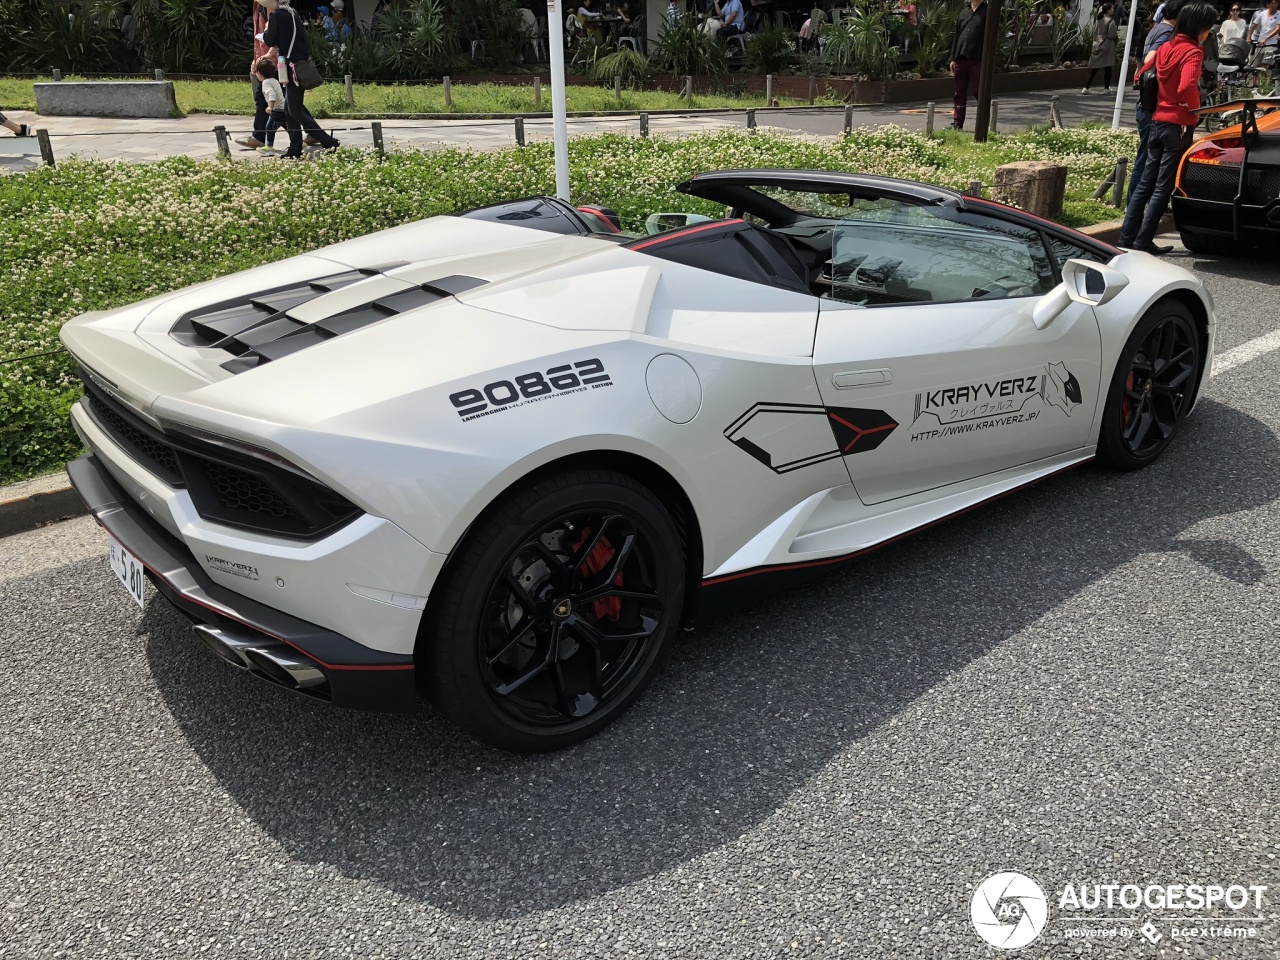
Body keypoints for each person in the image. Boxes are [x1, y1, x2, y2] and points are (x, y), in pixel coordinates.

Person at [1119, 1, 1217, 254]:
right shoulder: (1192, 51)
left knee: (1145, 184)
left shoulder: (1166, 47)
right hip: (1178, 124)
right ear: (1200, 27)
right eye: (1208, 27)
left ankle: (1126, 238)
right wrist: (1194, 110)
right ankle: (1142, 242)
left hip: (1157, 120)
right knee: (1163, 187)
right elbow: (1186, 86)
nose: (1209, 32)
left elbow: (1140, 75)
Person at [260, 0, 341, 159]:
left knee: (294, 110)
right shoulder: (292, 13)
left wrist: (267, 29)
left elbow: (269, 40)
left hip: (291, 68)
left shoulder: (276, 16)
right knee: (289, 110)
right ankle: (295, 148)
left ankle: (327, 140)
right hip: (298, 64)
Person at [1126, 0, 1180, 201]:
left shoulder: (1155, 29)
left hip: (1144, 103)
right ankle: (1135, 202)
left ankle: (1135, 201)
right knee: (1146, 158)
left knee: (1146, 156)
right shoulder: (1166, 33)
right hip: (1150, 104)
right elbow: (1150, 60)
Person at [235, 0, 274, 149]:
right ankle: (258, 137)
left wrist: (269, 54)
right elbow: (259, 38)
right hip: (264, 60)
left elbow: (276, 30)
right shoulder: (258, 5)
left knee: (266, 100)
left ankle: (258, 137)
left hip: (272, 63)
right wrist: (256, 58)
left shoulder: (269, 5)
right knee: (276, 103)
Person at [948, 0, 987, 131]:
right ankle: (957, 122)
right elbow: (957, 35)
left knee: (978, 90)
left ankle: (983, 122)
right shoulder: (963, 12)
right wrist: (953, 58)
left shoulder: (987, 12)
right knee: (959, 92)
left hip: (978, 58)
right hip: (961, 57)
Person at [1082, 3, 1119, 93]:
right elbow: (1112, 34)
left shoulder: (1098, 19)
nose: (1113, 10)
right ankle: (1106, 88)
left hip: (1097, 43)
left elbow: (1095, 32)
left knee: (1095, 68)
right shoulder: (1110, 21)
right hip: (1107, 44)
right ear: (1108, 10)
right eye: (1112, 9)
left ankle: (1086, 87)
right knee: (1108, 67)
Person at [253, 58, 287, 153]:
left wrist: (270, 107)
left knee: (269, 128)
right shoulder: (275, 80)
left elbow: (272, 94)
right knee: (288, 127)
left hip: (276, 110)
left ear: (259, 73)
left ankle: (269, 146)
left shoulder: (265, 83)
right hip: (284, 108)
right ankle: (298, 141)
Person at [1247, 0, 1280, 67]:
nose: (1274, 5)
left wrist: (1265, 39)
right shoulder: (1262, 14)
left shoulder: (1279, 14)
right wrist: (1249, 36)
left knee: (1265, 66)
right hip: (1260, 44)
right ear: (1268, 5)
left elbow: (1278, 28)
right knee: (1255, 65)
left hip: (1271, 44)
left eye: (1276, 3)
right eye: (1272, 3)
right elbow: (1253, 25)